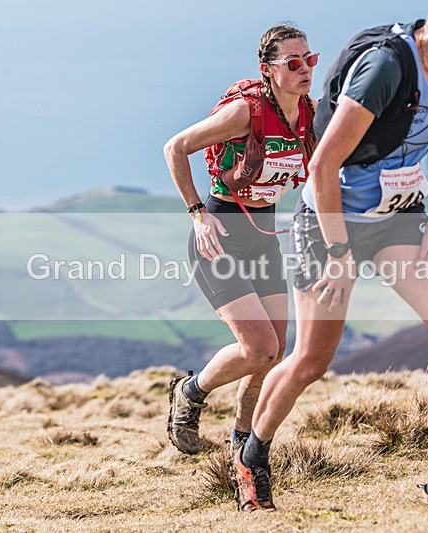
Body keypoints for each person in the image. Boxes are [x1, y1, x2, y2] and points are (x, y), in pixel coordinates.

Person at [232, 0, 428, 511]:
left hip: (397, 218)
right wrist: (338, 251)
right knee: (313, 358)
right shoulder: (386, 66)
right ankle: (251, 455)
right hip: (329, 222)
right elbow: (322, 165)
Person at [163, 23, 317, 488]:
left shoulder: (309, 114)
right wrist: (196, 213)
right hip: (219, 239)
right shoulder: (243, 112)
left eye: (310, 59)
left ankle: (241, 445)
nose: (305, 68)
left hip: (263, 238)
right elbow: (175, 147)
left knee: (273, 355)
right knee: (260, 348)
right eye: (293, 63)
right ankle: (190, 392)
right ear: (267, 71)